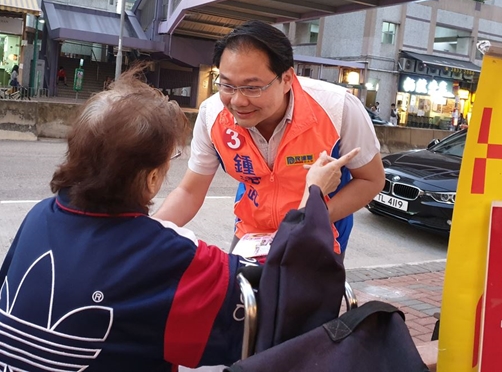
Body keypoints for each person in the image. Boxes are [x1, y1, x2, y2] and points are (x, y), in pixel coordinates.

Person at [0, 69, 351, 371]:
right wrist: (311, 196)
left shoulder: (38, 217)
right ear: (152, 178)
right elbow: (284, 297)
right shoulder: (171, 257)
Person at [154, 21, 384, 255]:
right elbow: (190, 192)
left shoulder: (339, 108)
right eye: (226, 85)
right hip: (252, 235)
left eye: (252, 88)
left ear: (286, 79)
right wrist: (146, 233)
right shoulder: (212, 115)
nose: (237, 101)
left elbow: (371, 180)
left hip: (321, 229)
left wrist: (312, 218)